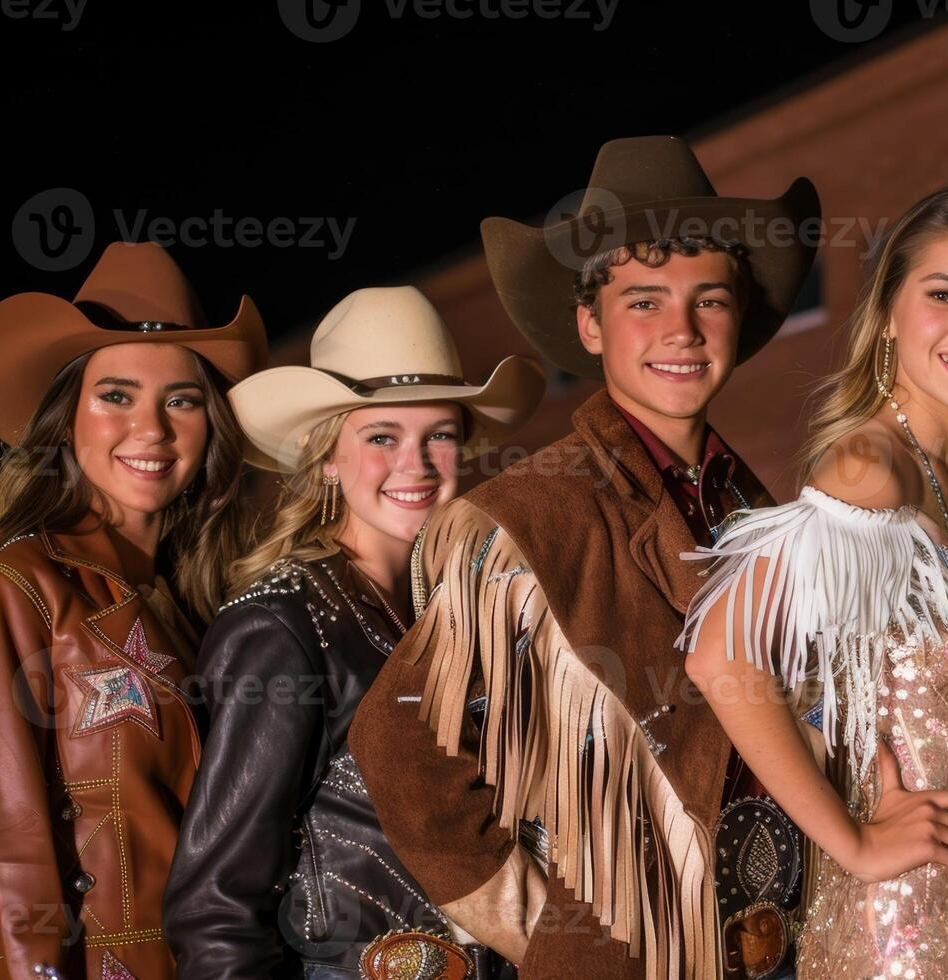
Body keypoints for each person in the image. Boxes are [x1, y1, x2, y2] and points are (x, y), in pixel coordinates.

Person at [346, 135, 821, 979]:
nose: (681, 329)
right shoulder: (532, 511)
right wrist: (560, 941)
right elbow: (400, 739)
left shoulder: (753, 510)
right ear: (588, 324)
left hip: (779, 945)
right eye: (643, 302)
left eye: (707, 300)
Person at [679, 182, 948, 977]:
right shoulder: (871, 465)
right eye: (943, 295)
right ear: (889, 313)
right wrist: (854, 841)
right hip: (905, 925)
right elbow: (721, 657)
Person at [162, 285, 542, 978]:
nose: (416, 463)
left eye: (441, 436)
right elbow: (215, 907)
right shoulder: (278, 624)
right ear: (327, 459)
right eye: (381, 437)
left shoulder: (472, 613)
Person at [0, 242, 266, 978]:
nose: (152, 430)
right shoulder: (15, 587)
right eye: (116, 396)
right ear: (65, 419)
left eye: (181, 399)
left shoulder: (216, 602)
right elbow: (6, 854)